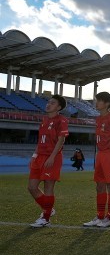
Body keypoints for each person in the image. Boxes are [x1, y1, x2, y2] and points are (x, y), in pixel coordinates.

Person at [28, 95, 69, 228]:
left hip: (52, 157)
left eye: (52, 103)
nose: (48, 104)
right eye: (48, 102)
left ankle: (45, 218)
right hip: (39, 156)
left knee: (48, 187)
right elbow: (40, 140)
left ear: (59, 107)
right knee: (32, 187)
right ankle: (49, 209)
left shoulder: (61, 120)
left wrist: (52, 156)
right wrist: (34, 155)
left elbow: (61, 140)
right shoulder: (44, 120)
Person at [83, 92, 110, 228]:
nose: (96, 103)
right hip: (100, 155)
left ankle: (109, 217)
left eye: (99, 101)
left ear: (107, 104)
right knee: (99, 186)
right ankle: (99, 216)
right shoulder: (99, 119)